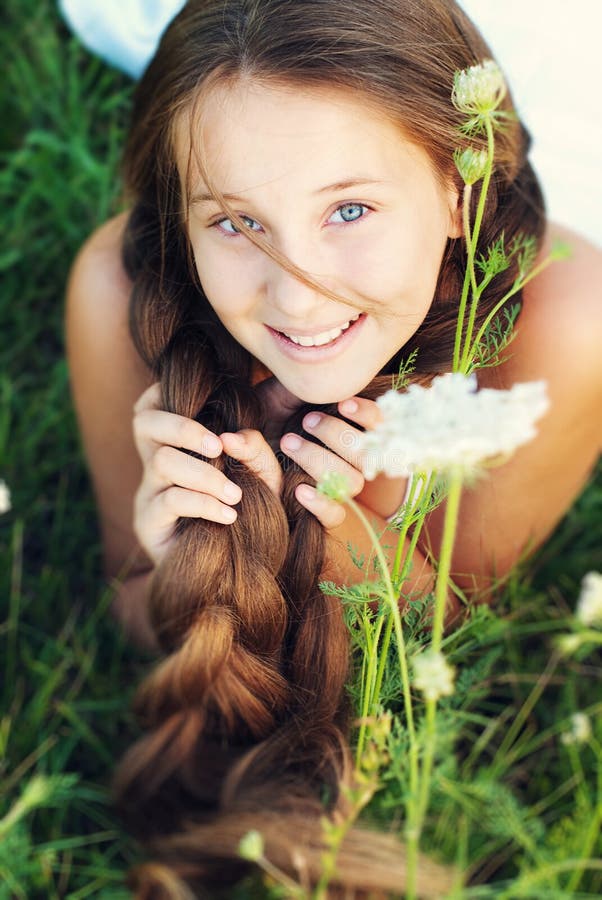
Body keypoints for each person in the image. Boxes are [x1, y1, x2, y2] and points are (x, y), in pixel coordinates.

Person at [65, 0, 602, 894]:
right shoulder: (118, 289)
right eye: (236, 223)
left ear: (459, 197)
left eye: (349, 210)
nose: (299, 300)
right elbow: (133, 603)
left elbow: (459, 627)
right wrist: (174, 564)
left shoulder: (566, 318)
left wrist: (362, 544)